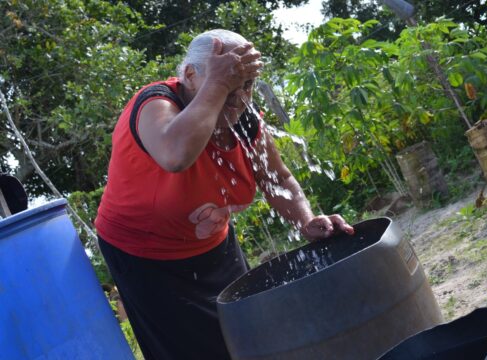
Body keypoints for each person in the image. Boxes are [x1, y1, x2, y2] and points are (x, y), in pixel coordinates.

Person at [95, 29, 354, 360]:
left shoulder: (244, 122)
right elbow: (175, 155)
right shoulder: (155, 103)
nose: (239, 94)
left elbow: (277, 178)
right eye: (229, 78)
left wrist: (306, 220)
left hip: (213, 247)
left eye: (246, 83)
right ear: (190, 74)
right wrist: (218, 85)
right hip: (145, 259)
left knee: (250, 338)